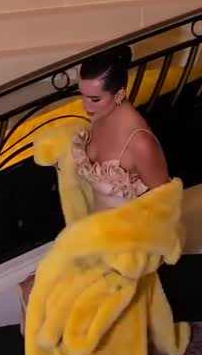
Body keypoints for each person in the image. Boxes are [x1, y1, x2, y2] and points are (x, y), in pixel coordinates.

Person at [19, 46, 169, 330]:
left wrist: (132, 264)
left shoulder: (140, 142)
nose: (86, 106)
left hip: (123, 252)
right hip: (94, 237)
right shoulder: (100, 119)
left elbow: (165, 209)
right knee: (30, 288)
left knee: (49, 303)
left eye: (95, 98)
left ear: (119, 93)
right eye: (83, 96)